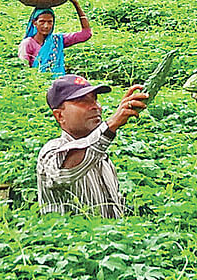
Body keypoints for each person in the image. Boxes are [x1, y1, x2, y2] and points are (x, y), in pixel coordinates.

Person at [36, 74, 148, 218]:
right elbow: (64, 173)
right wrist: (111, 125)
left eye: (95, 100)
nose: (95, 107)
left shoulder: (103, 158)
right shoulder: (50, 152)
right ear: (59, 116)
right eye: (82, 101)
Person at [18, 0, 92, 76]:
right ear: (34, 22)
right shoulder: (27, 43)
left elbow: (86, 34)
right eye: (42, 22)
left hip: (58, 84)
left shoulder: (58, 40)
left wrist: (76, 4)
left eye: (50, 22)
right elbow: (24, 69)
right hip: (38, 85)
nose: (46, 26)